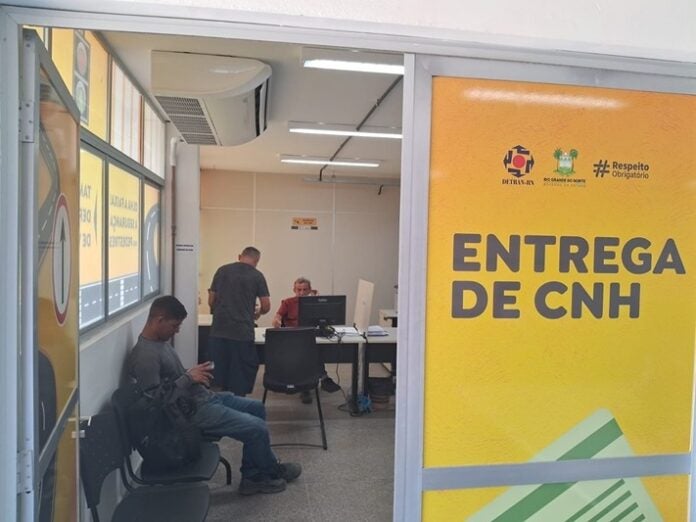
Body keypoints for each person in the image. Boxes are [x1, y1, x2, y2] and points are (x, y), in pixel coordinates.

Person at [128, 295, 301, 495]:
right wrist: (188, 378)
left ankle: (257, 472)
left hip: (202, 398)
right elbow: (154, 403)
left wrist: (192, 374)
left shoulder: (160, 342)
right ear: (159, 320)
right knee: (257, 428)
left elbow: (171, 380)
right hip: (192, 412)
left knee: (257, 408)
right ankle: (260, 476)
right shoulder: (145, 356)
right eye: (174, 325)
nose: (177, 331)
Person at [208, 246, 270, 396]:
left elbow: (211, 301)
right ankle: (238, 403)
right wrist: (258, 313)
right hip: (242, 332)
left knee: (219, 373)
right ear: (257, 261)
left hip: (219, 330)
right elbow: (266, 306)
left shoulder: (222, 270)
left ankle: (220, 402)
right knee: (240, 375)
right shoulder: (257, 276)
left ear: (239, 256)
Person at [271, 277, 341, 404]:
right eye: (299, 290)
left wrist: (318, 301)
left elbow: (325, 319)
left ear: (310, 290)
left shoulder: (314, 303)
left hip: (310, 335)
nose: (302, 293)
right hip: (293, 338)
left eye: (304, 290)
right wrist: (276, 321)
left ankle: (319, 379)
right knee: (306, 351)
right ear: (294, 290)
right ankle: (312, 383)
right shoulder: (288, 302)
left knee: (316, 348)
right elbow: (278, 316)